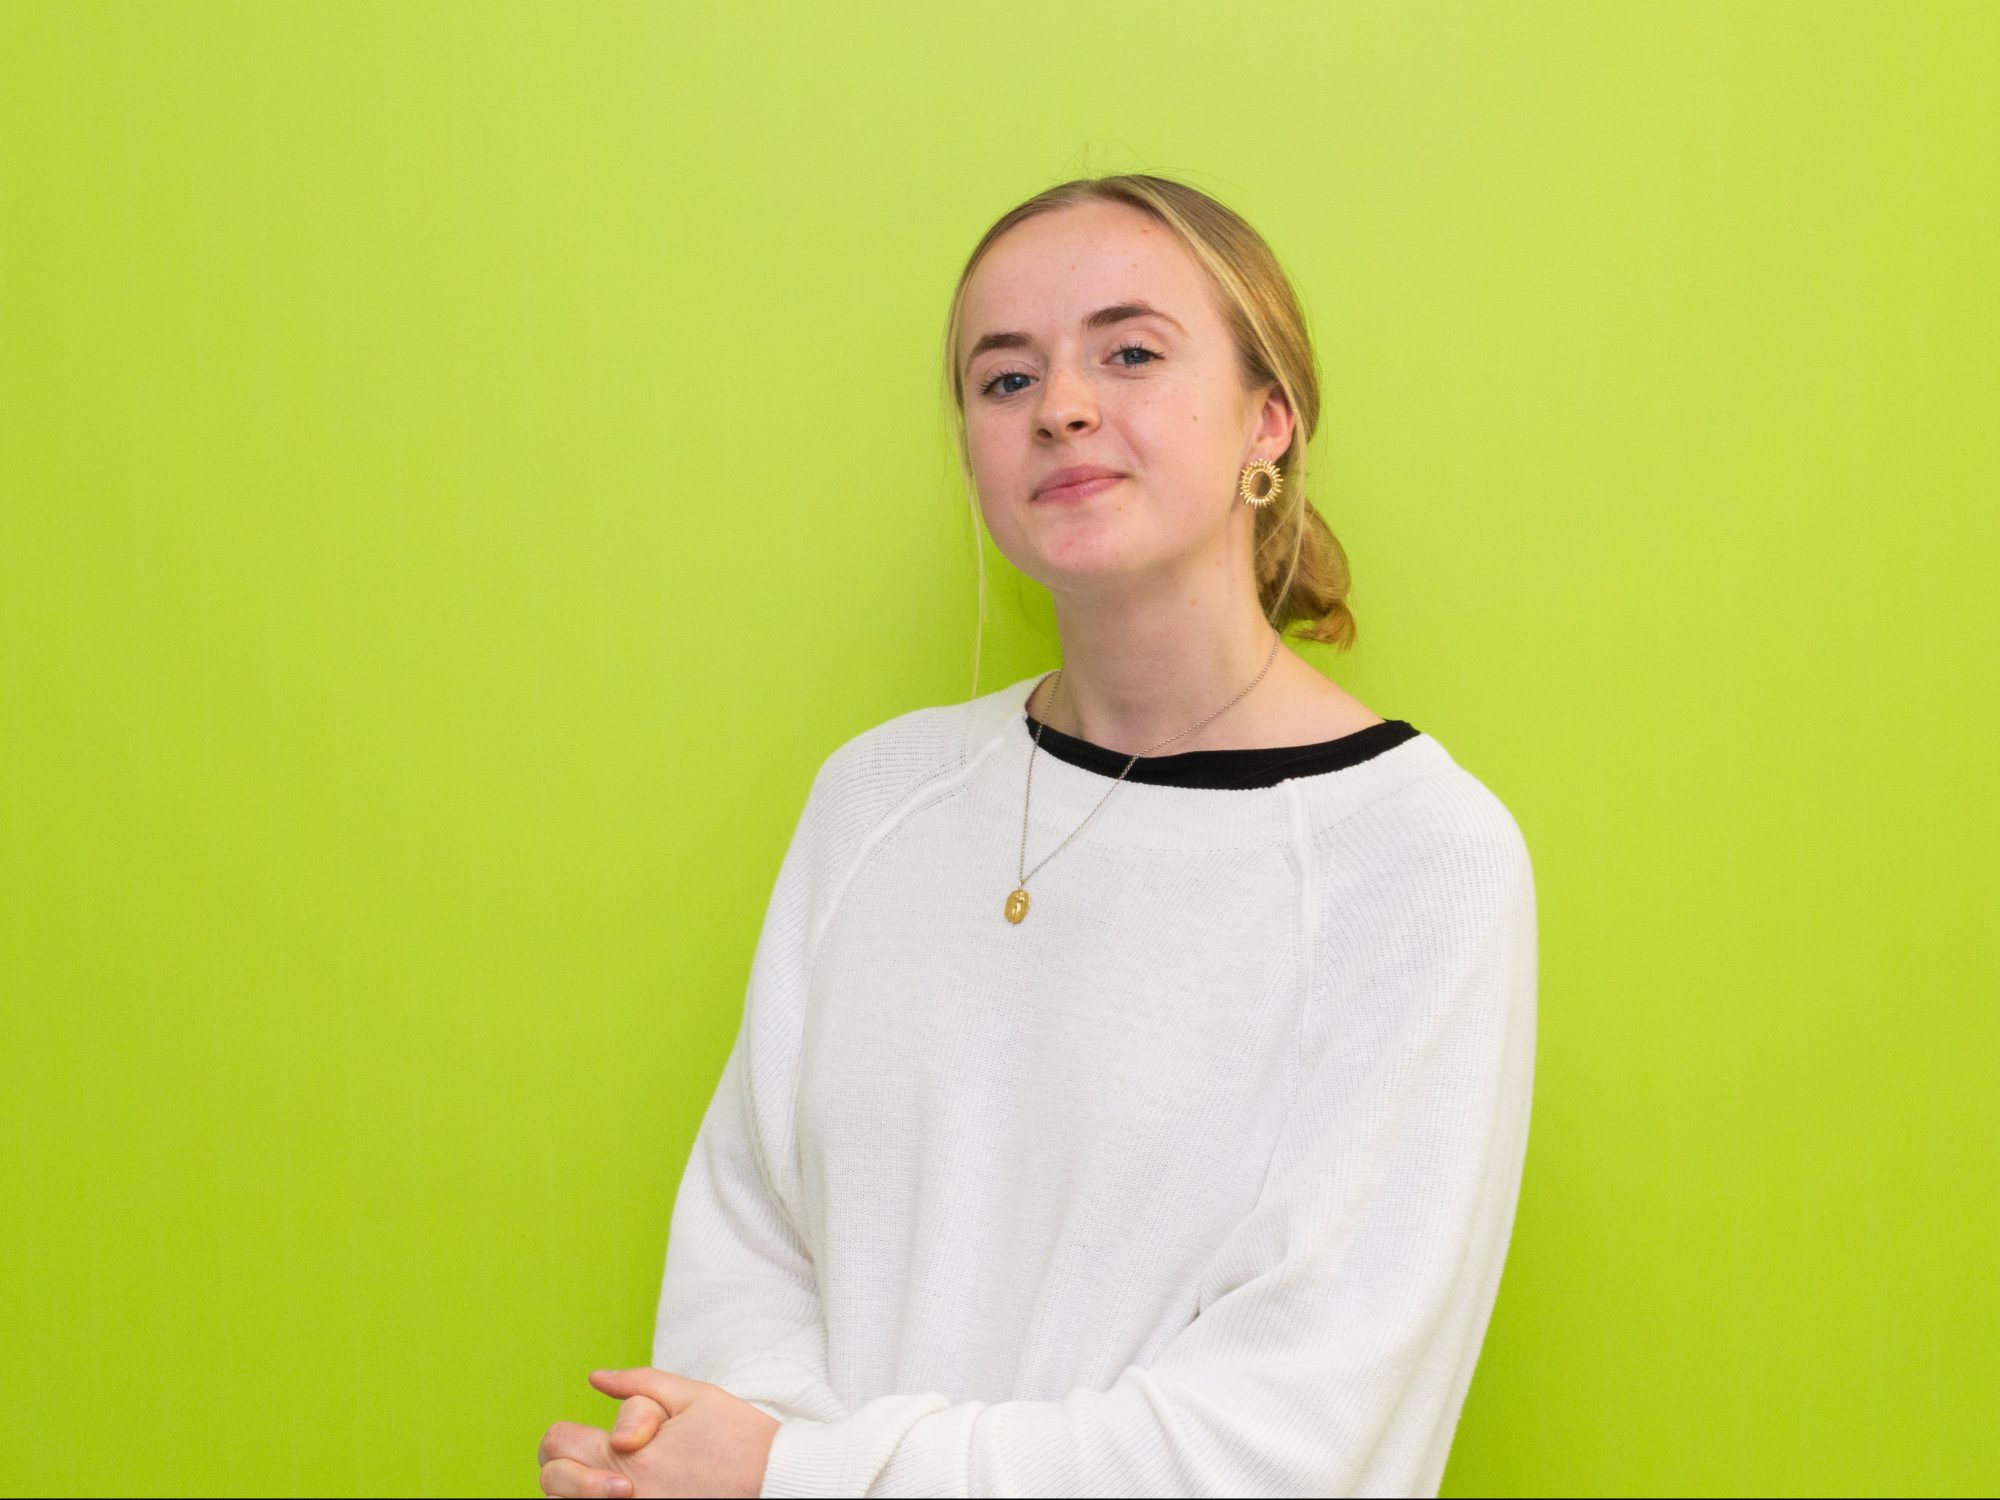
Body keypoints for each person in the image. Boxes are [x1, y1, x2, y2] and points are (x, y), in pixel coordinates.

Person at [536, 173, 1539, 1499]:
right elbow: (745, 1256)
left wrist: (798, 1477)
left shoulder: (1417, 862)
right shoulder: (876, 799)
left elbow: (1290, 1440)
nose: (1060, 405)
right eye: (1004, 379)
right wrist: (749, 1462)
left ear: (1270, 419)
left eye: (1131, 354)